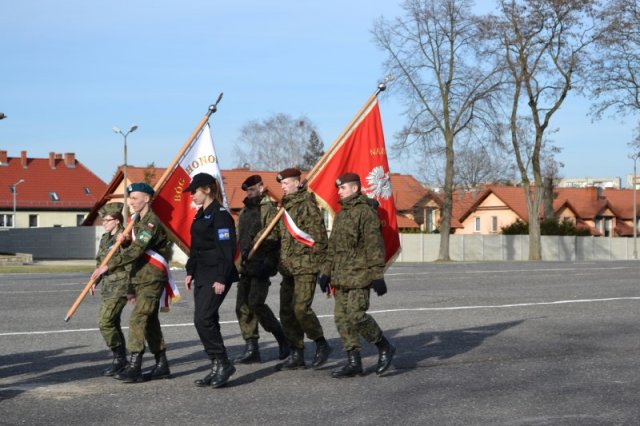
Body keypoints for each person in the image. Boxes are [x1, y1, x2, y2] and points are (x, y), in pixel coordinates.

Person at [90, 182, 173, 384]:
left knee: (138, 319)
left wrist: (108, 266)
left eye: (135, 198)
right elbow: (132, 246)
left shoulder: (151, 222)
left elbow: (137, 250)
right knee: (150, 321)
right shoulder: (136, 221)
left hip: (152, 278)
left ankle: (135, 366)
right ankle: (162, 363)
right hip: (139, 278)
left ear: (147, 198)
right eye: (130, 198)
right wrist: (124, 239)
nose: (131, 202)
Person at [317, 172, 396, 378]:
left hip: (359, 276)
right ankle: (354, 362)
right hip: (341, 277)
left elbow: (374, 246)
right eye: (339, 188)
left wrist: (377, 275)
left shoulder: (365, 212)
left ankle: (384, 346)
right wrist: (325, 272)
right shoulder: (341, 214)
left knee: (357, 316)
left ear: (354, 188)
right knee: (342, 319)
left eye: (342, 188)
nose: (339, 192)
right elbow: (332, 248)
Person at [269, 168, 332, 370]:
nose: (282, 186)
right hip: (288, 268)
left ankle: (321, 343)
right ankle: (297, 352)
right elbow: (275, 234)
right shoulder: (284, 208)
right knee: (286, 312)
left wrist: (324, 268)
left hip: (305, 267)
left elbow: (320, 238)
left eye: (286, 183)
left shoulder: (307, 205)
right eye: (282, 184)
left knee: (300, 308)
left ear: (297, 183)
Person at [184, 173, 239, 388]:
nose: (192, 196)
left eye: (195, 192)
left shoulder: (221, 214)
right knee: (207, 320)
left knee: (203, 319)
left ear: (207, 189)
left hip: (216, 274)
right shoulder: (201, 215)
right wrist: (190, 271)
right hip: (202, 274)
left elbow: (227, 248)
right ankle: (216, 365)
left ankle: (223, 362)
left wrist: (221, 277)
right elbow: (195, 247)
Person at [234, 174, 290, 364]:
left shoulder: (269, 210)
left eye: (252, 189)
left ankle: (282, 338)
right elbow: (238, 239)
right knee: (241, 307)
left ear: (261, 188)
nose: (249, 193)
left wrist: (268, 264)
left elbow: (274, 238)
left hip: (262, 266)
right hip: (246, 267)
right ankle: (252, 348)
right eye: (247, 190)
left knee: (256, 303)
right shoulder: (243, 212)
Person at [93, 202, 129, 377]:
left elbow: (127, 257)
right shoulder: (106, 238)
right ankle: (120, 359)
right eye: (103, 220)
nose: (104, 223)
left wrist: (125, 240)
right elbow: (101, 263)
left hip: (121, 285)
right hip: (107, 286)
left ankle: (120, 357)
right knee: (112, 323)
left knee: (105, 321)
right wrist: (95, 279)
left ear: (117, 220)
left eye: (107, 220)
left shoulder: (125, 236)